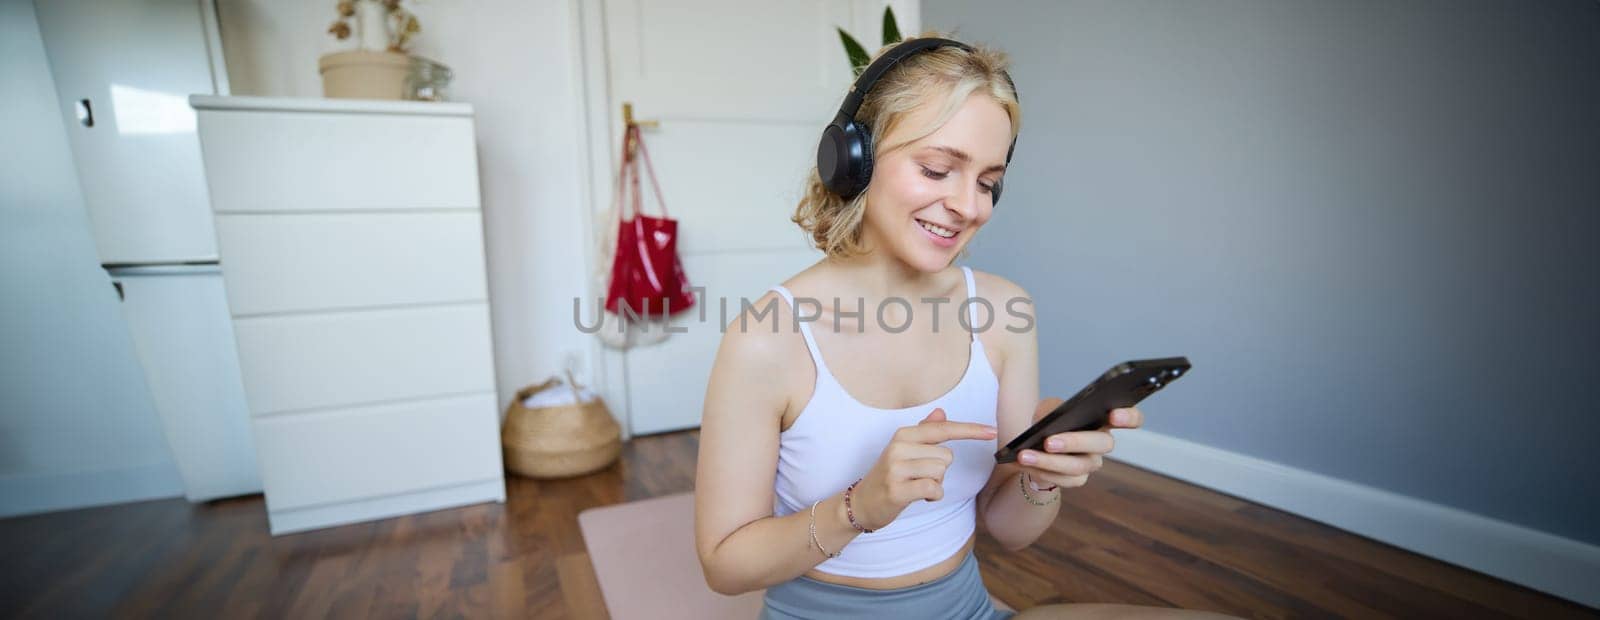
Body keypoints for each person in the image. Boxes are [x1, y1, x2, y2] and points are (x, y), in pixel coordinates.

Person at [694, 32, 1239, 620]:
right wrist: (858, 508)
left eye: (987, 182)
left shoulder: (1006, 314)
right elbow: (725, 565)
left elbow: (1012, 531)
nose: (968, 205)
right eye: (936, 169)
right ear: (855, 159)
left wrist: (1040, 478)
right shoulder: (768, 338)